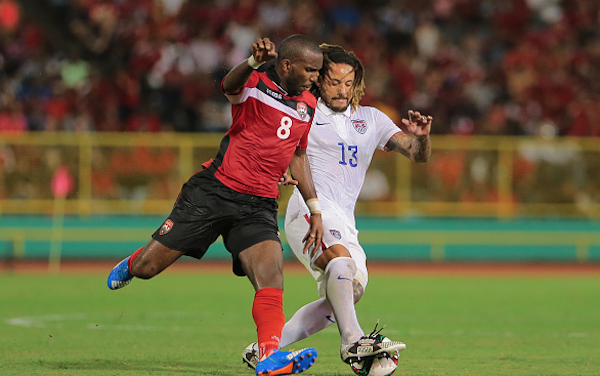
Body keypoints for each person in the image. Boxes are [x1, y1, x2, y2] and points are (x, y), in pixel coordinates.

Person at [107, 35, 325, 376]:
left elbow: (298, 155)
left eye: (318, 71)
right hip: (213, 193)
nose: (315, 77)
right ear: (286, 65)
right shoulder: (254, 83)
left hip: (259, 205)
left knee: (271, 276)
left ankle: (269, 356)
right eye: (310, 70)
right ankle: (134, 262)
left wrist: (315, 209)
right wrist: (252, 61)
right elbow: (228, 83)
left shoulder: (309, 104)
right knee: (149, 268)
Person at [243, 44, 432, 370]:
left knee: (350, 289)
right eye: (333, 82)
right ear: (319, 79)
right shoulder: (305, 109)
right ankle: (353, 342)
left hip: (344, 219)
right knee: (340, 266)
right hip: (309, 210)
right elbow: (273, 142)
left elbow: (417, 153)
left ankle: (266, 348)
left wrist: (423, 137)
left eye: (348, 82)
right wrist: (279, 168)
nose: (342, 89)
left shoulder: (371, 119)